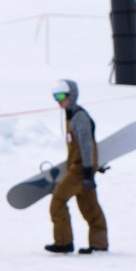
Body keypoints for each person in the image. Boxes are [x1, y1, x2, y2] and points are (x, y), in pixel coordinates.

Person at [45, 78, 108, 255]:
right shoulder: (71, 115)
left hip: (80, 170)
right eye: (55, 96)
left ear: (72, 95)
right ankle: (99, 244)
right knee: (90, 208)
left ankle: (64, 242)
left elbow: (87, 145)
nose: (59, 100)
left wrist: (88, 173)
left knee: (57, 202)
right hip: (81, 168)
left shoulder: (79, 117)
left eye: (62, 95)